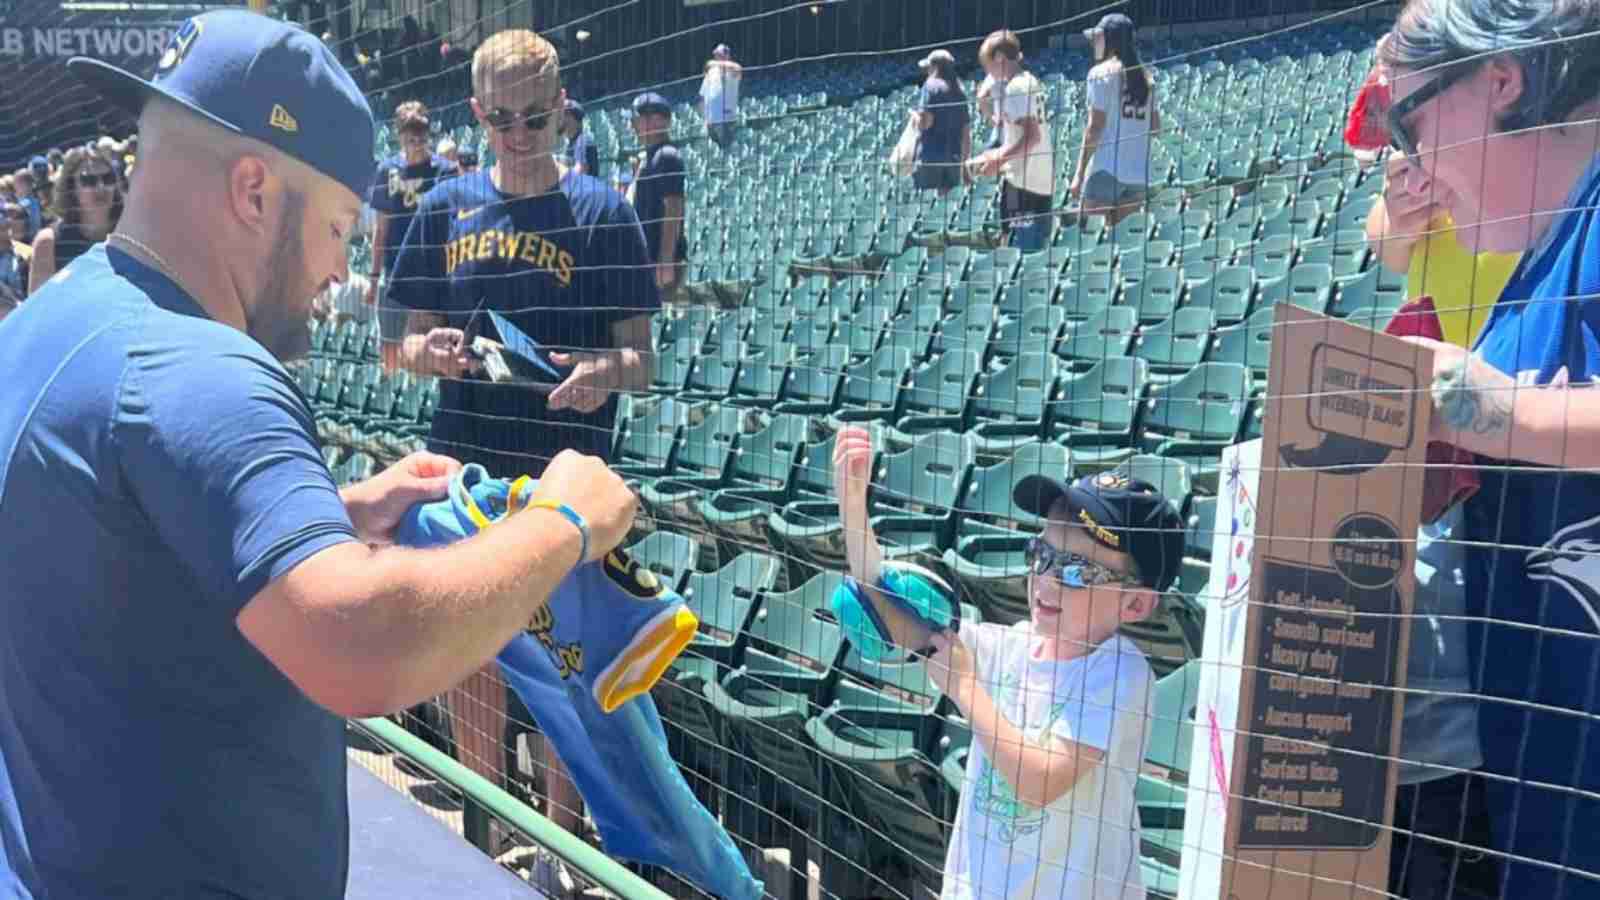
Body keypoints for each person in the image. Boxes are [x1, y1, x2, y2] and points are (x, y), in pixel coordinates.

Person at [0, 10, 639, 898]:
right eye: (340, 227)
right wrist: (565, 522)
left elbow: (113, 540)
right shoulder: (205, 369)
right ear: (256, 192)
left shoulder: (45, 314)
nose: (340, 271)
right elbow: (362, 649)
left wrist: (325, 522)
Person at [381, 26, 658, 855]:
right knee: (473, 651)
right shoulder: (440, 210)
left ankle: (558, 842)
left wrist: (602, 374)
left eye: (534, 119)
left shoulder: (605, 212)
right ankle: (489, 826)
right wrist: (423, 352)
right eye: (501, 120)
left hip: (566, 477)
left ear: (562, 108)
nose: (518, 135)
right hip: (465, 466)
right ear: (476, 113)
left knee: (565, 659)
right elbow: (397, 344)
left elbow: (641, 357)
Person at [1376, 2, 1600, 897]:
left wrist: (1486, 410)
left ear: (1500, 82)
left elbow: (1503, 415)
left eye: (1411, 120)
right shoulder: (1531, 269)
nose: (1409, 162)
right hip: (1539, 809)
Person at [833, 425, 1176, 900]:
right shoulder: (1010, 646)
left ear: (1135, 605)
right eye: (1043, 555)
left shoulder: (1119, 672)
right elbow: (893, 618)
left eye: (1079, 570)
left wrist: (968, 690)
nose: (1049, 581)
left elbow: (1039, 782)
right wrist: (853, 509)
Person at [966, 30, 1055, 249]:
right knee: (1026, 248)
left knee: (1019, 251)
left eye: (987, 65)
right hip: (1036, 180)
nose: (987, 71)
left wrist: (997, 160)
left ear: (999, 58)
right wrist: (991, 155)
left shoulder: (1015, 88)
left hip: (1023, 183)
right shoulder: (1029, 81)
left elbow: (1031, 137)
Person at [365, 99, 457, 307]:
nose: (416, 137)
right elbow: (381, 230)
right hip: (397, 274)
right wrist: (373, 279)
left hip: (435, 275)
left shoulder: (446, 171)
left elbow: (454, 228)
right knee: (392, 339)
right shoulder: (387, 171)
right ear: (399, 135)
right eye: (410, 131)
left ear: (428, 132)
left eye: (421, 130)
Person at [1070, 13, 1159, 226]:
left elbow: (1095, 128)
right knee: (1120, 244)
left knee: (1093, 240)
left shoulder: (1100, 73)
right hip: (1137, 175)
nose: (1094, 42)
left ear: (1110, 39)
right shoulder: (1147, 77)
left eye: (1099, 37)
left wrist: (1079, 173)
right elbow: (1155, 128)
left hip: (1106, 170)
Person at [25, 147, 121, 295]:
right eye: (89, 180)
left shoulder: (132, 232)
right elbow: (40, 312)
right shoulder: (49, 242)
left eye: (108, 179)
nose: (101, 187)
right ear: (71, 187)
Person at [628, 91, 687, 299]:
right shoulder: (650, 157)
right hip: (648, 257)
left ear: (657, 120)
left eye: (637, 119)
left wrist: (666, 259)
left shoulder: (666, 156)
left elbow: (673, 209)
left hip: (660, 261)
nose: (633, 126)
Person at [911, 49, 971, 197]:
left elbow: (926, 123)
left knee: (926, 206)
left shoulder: (930, 86)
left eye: (928, 67)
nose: (927, 71)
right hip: (953, 159)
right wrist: (964, 167)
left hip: (930, 157)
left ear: (935, 67)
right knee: (944, 205)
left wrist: (915, 118)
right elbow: (966, 134)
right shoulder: (960, 91)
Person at [699, 43, 742, 148]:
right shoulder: (711, 72)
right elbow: (702, 97)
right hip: (710, 121)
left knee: (726, 150)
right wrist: (704, 118)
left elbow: (738, 68)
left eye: (720, 55)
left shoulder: (732, 71)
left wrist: (714, 64)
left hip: (726, 120)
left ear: (727, 55)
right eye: (716, 55)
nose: (717, 57)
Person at [560, 97, 599, 177]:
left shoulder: (583, 141)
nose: (560, 121)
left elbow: (581, 171)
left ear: (572, 118)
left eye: (564, 115)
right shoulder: (569, 143)